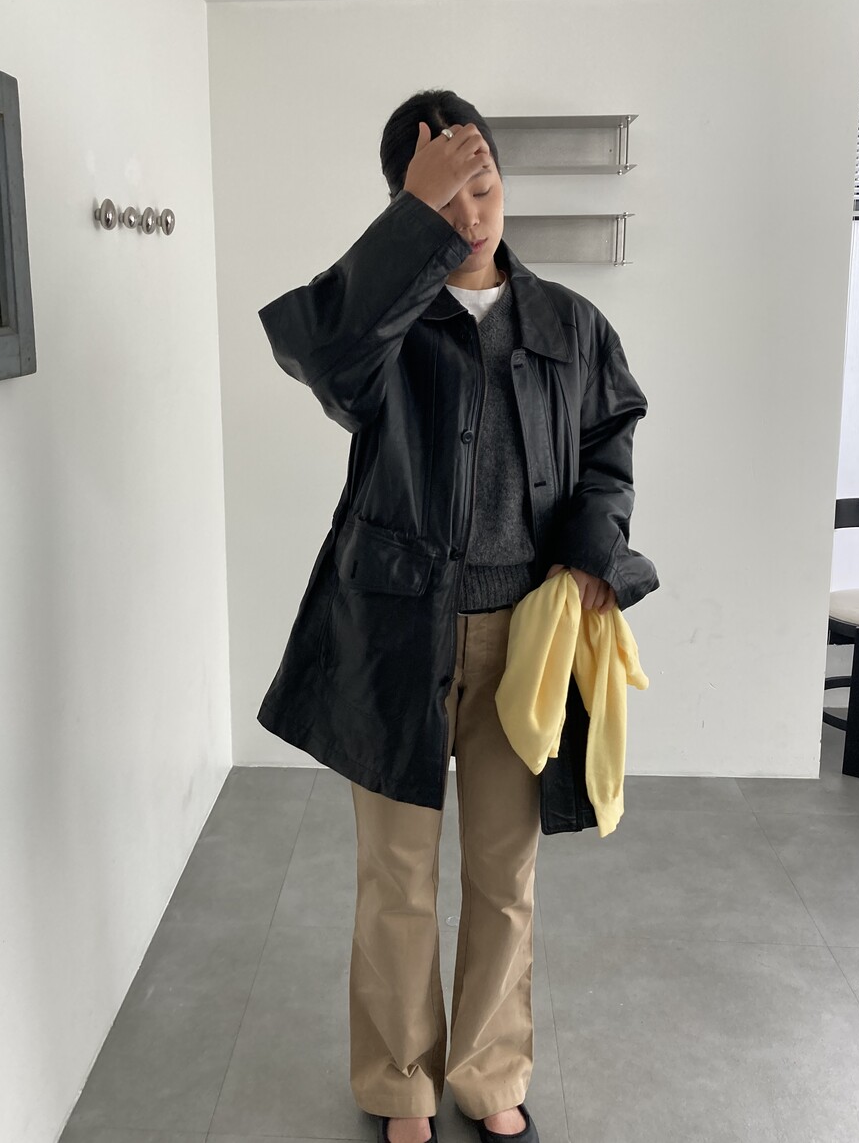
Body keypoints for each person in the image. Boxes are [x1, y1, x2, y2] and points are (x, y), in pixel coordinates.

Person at [256, 89, 657, 1143]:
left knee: (503, 872)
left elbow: (610, 441)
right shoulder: (380, 326)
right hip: (395, 636)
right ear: (403, 207)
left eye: (481, 186)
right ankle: (400, 1083)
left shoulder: (569, 323)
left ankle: (486, 1071)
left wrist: (591, 551)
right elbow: (323, 360)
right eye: (441, 199)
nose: (471, 214)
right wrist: (412, 231)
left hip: (522, 638)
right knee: (394, 874)